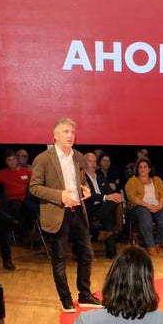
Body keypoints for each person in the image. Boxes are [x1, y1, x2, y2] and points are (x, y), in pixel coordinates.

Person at [30, 118, 101, 312]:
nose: (70, 136)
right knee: (59, 258)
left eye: (72, 132)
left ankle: (85, 295)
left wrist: (85, 189)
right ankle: (66, 299)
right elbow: (34, 188)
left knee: (87, 254)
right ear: (55, 136)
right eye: (66, 132)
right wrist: (59, 195)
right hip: (57, 213)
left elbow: (81, 180)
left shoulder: (78, 156)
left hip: (78, 211)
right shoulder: (44, 158)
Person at [124, 157, 163, 256]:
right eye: (140, 167)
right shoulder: (132, 181)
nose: (142, 169)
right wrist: (147, 205)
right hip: (138, 207)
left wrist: (160, 206)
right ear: (137, 169)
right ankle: (150, 246)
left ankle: (158, 243)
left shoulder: (157, 180)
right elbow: (132, 197)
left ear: (149, 169)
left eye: (145, 167)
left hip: (156, 207)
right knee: (145, 214)